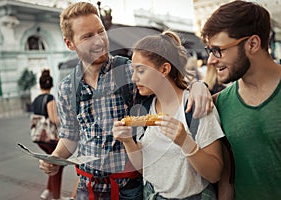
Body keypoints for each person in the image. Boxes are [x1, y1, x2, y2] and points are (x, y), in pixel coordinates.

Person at [38, 2, 212, 200]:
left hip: (130, 186)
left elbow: (170, 86)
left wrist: (199, 87)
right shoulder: (66, 88)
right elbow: (70, 137)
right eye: (87, 36)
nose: (99, 41)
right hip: (89, 187)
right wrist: (54, 158)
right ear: (70, 43)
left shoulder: (131, 71)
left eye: (100, 31)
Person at [113, 30, 225, 199]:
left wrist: (185, 142)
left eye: (141, 70)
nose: (134, 78)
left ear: (164, 69)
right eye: (133, 71)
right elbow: (145, 168)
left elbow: (215, 174)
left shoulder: (195, 106)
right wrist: (128, 141)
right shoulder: (144, 107)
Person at [201, 1, 281, 199]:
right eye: (210, 51)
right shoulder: (219, 103)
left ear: (252, 44)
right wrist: (198, 86)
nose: (211, 60)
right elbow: (228, 178)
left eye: (218, 50)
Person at [32, 69, 68, 200]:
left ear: (40, 85)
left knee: (50, 163)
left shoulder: (36, 99)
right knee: (57, 165)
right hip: (50, 139)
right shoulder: (50, 98)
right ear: (51, 85)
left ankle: (47, 191)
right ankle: (56, 197)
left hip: (39, 138)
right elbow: (54, 120)